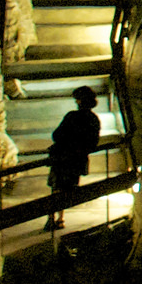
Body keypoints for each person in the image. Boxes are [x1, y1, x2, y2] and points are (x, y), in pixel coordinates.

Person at [44, 87, 100, 231]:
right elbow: (93, 143)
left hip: (62, 159)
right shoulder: (93, 119)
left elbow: (57, 135)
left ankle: (51, 219)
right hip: (77, 161)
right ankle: (61, 219)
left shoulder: (72, 117)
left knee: (56, 189)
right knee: (67, 190)